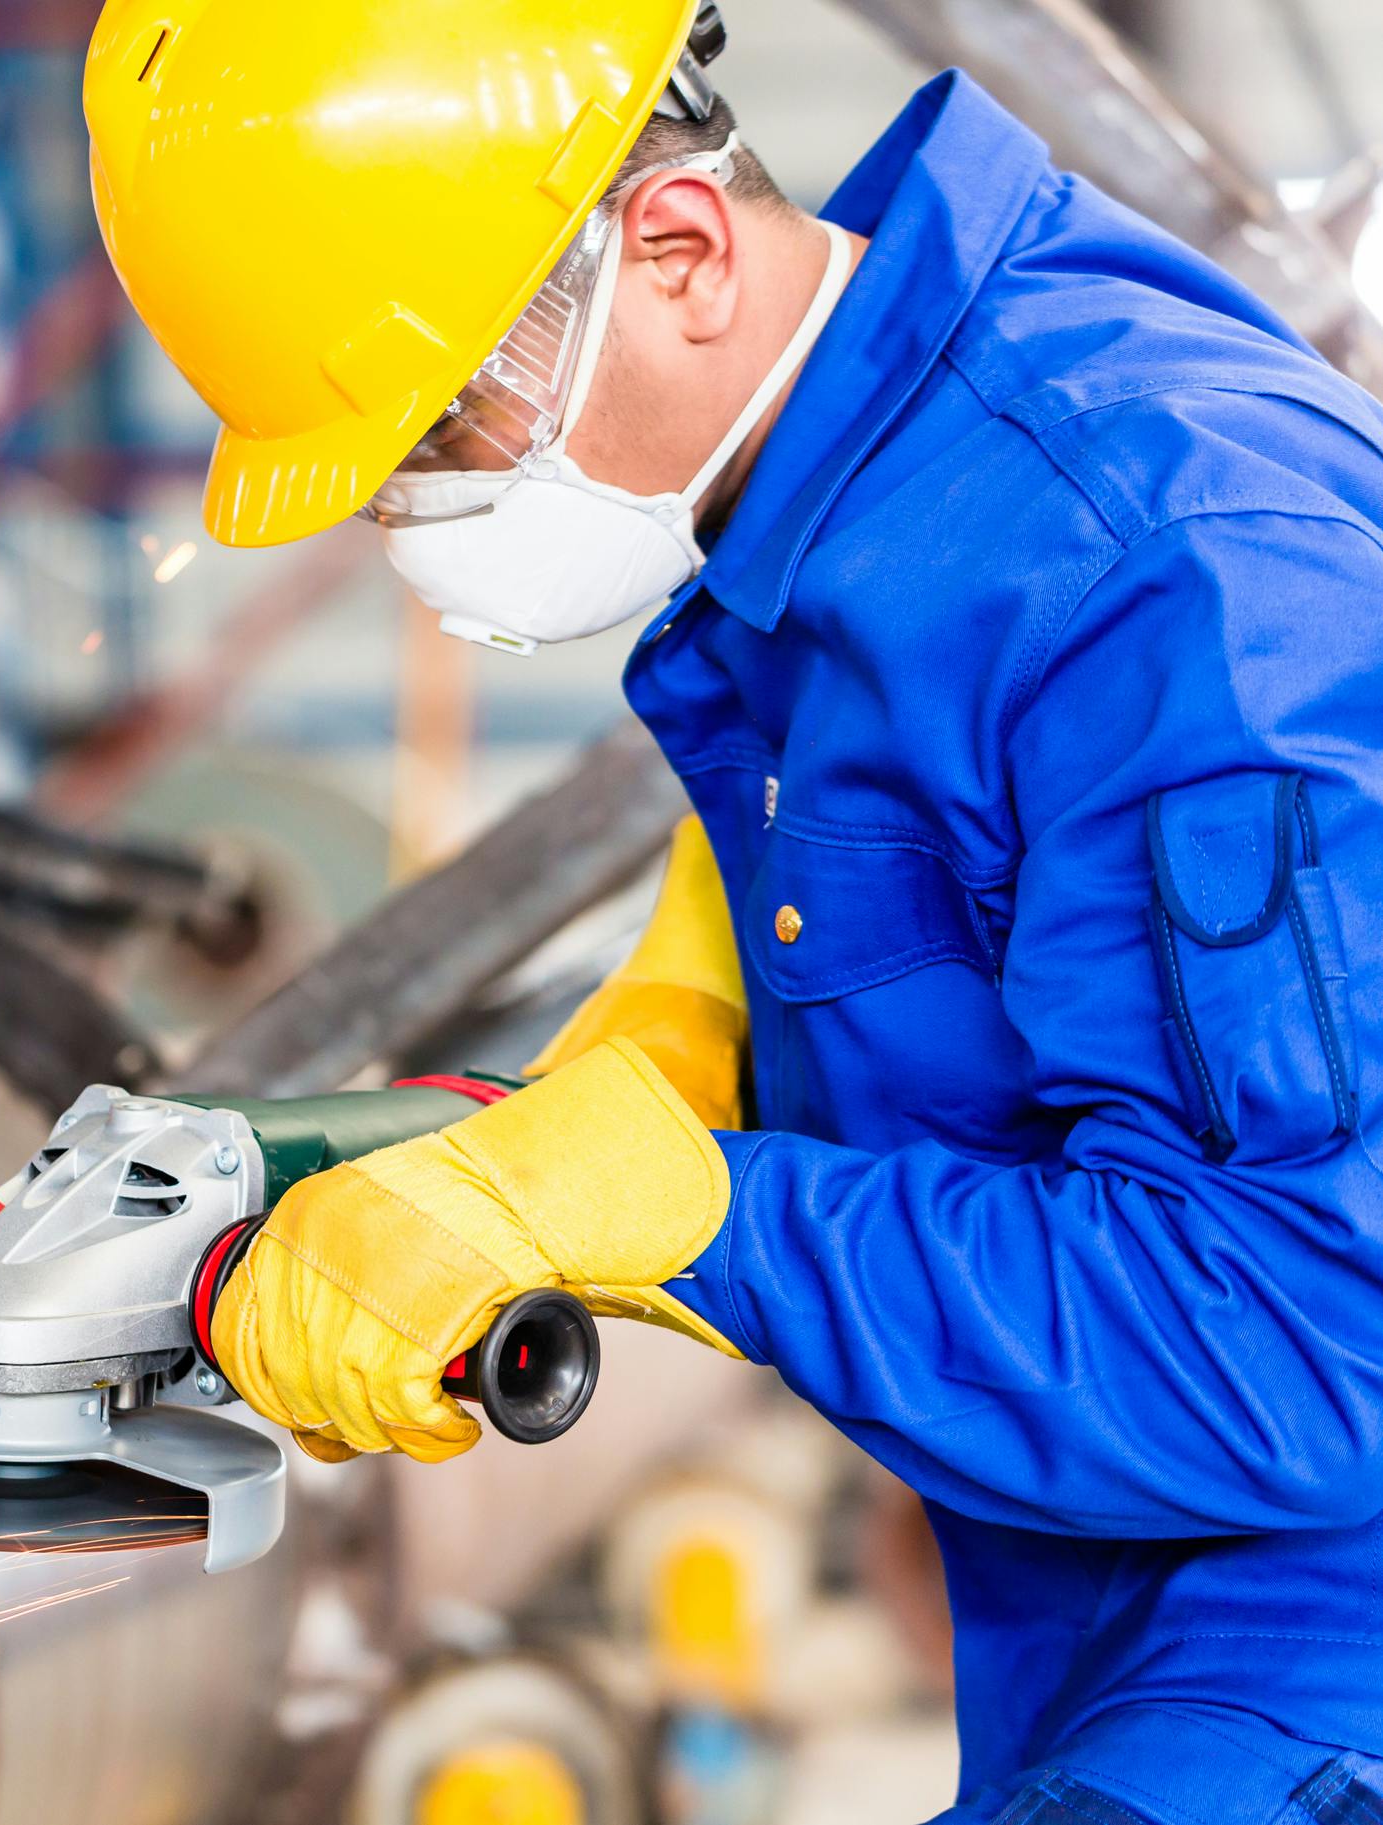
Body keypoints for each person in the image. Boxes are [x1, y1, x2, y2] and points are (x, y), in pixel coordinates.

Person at [85, 3, 1383, 1820]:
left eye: (440, 428)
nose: (414, 514)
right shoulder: (877, 517)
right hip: (1143, 1611)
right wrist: (688, 1046)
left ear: (677, 250)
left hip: (1318, 1641)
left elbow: (1316, 1339)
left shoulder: (1162, 569)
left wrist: (695, 1216)